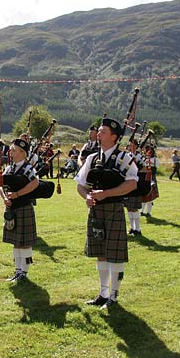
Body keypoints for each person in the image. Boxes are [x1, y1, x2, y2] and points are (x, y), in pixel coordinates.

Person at [75, 118, 137, 309]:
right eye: (99, 131)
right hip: (96, 210)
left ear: (114, 137)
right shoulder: (93, 158)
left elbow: (132, 183)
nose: (98, 135)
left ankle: (114, 296)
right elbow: (80, 184)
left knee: (114, 255)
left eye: (103, 132)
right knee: (100, 253)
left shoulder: (124, 158)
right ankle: (103, 294)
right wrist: (86, 197)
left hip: (114, 209)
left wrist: (107, 193)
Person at [0, 138, 39, 281]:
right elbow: (0, 185)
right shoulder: (9, 168)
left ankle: (24, 271)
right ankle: (17, 270)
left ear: (23, 153)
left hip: (23, 208)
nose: (11, 152)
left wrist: (17, 194)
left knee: (24, 242)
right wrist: (4, 197)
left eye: (14, 150)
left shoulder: (28, 169)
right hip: (11, 209)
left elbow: (35, 183)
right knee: (16, 242)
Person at [124, 137, 144, 235]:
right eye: (129, 145)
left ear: (136, 146)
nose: (130, 147)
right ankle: (132, 228)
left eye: (132, 145)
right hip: (127, 183)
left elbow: (143, 168)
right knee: (129, 207)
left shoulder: (140, 156)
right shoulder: (126, 156)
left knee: (134, 207)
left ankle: (138, 229)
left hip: (136, 184)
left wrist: (136, 163)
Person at [140, 144, 159, 217]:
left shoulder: (155, 159)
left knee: (150, 195)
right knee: (143, 195)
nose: (148, 153)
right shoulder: (143, 158)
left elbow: (156, 166)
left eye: (149, 151)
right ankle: (142, 211)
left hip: (151, 177)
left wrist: (150, 162)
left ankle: (148, 212)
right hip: (144, 177)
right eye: (147, 151)